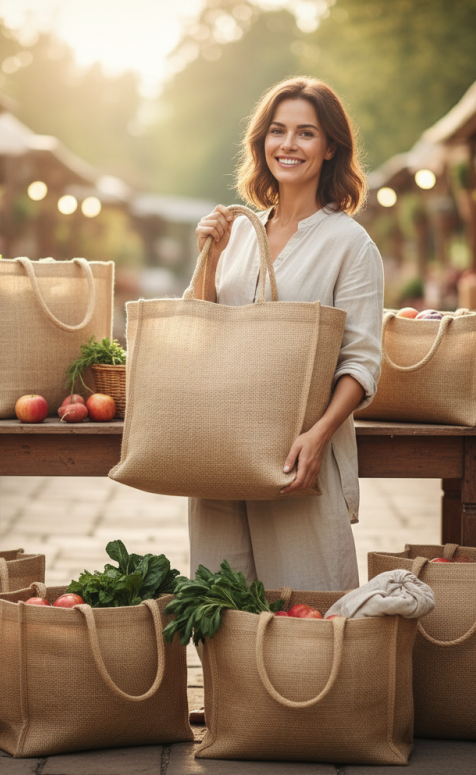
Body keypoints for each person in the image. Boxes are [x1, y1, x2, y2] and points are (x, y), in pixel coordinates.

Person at [190, 76, 384, 594]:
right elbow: (203, 332)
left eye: (305, 133)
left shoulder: (350, 244)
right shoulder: (240, 232)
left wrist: (317, 437)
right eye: (278, 131)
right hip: (220, 448)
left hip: (297, 457)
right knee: (219, 609)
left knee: (307, 613)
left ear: (330, 148)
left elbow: (362, 363)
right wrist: (209, 254)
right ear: (262, 143)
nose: (288, 145)